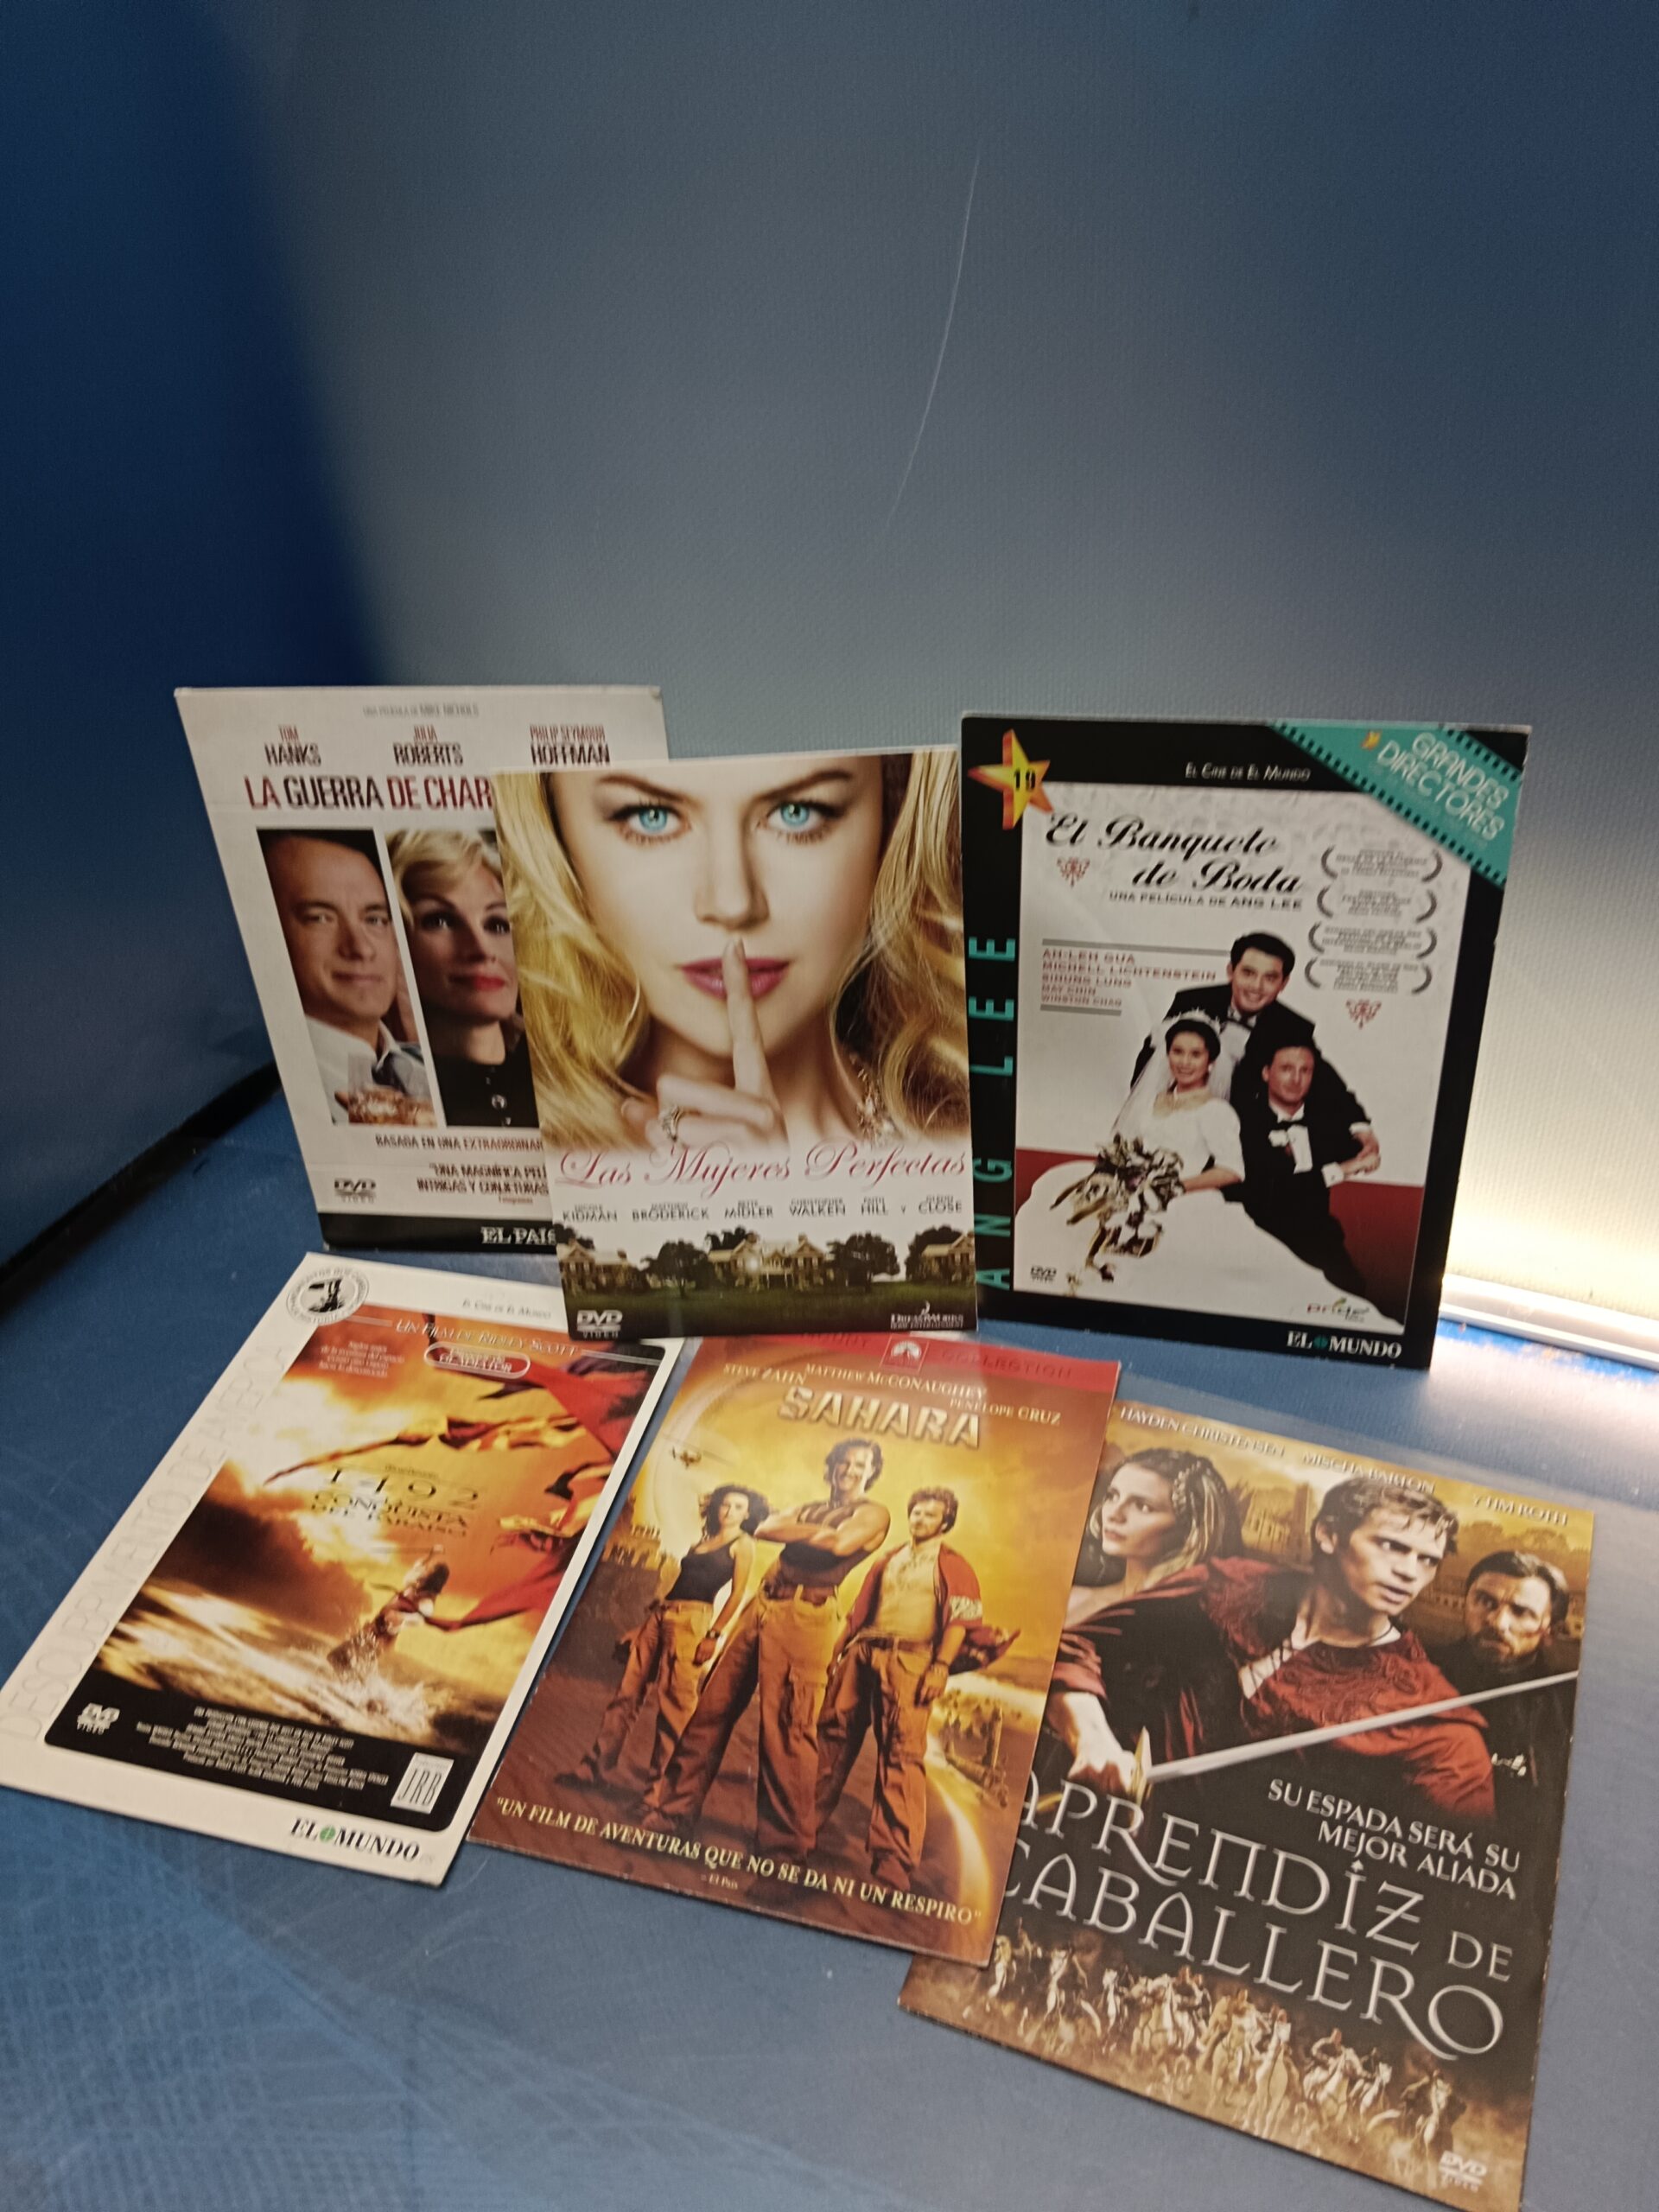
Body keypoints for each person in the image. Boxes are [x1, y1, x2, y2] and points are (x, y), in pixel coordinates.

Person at [493, 751, 968, 1150]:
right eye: (652, 816)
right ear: (555, 829)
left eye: (797, 812)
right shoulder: (528, 1155)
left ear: (890, 817)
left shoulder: (965, 1151)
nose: (732, 902)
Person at [1048, 1473, 1495, 1818]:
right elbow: (1073, 1644)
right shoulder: (1226, 1586)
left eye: (1428, 1560)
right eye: (1392, 1546)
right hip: (1092, 1835)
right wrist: (1092, 1740)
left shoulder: (1437, 1724)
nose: (1411, 1573)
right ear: (1328, 1535)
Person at [642, 1440, 891, 1859]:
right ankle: (673, 1813)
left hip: (806, 1614)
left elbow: (839, 1546)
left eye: (860, 1465)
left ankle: (784, 1849)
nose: (850, 1470)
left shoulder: (874, 1513)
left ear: (871, 1472)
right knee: (710, 1710)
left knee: (788, 1729)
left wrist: (806, 1532)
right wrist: (817, 1533)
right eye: (843, 1462)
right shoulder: (813, 1506)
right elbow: (764, 1528)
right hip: (762, 1604)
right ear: (832, 1466)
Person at [813, 1487, 982, 1891]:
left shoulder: (954, 1565)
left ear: (945, 1522)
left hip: (911, 1660)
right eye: (917, 1512)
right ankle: (801, 1825)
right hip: (864, 1651)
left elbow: (959, 1623)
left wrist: (940, 1666)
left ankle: (893, 1859)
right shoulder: (888, 1559)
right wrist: (835, 1650)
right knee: (831, 1736)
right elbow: (857, 1612)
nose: (920, 1520)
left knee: (901, 1754)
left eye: (930, 1515)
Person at [563, 1484, 766, 1786]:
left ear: (747, 1514)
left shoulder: (743, 1544)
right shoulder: (703, 1543)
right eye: (725, 1505)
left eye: (738, 1507)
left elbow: (737, 1594)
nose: (729, 1511)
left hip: (692, 1621)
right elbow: (679, 1585)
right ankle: (594, 1768)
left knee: (676, 1706)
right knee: (627, 1694)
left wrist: (713, 1635)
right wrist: (643, 1626)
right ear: (716, 1507)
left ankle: (660, 1790)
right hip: (661, 1616)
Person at [1130, 931, 1378, 1171]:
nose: (1256, 986)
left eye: (1270, 978)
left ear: (1284, 983)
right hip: (1181, 1122)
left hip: (1242, 1133)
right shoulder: (1192, 1001)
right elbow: (1152, 1063)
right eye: (1248, 973)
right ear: (1231, 971)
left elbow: (1323, 1077)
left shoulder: (1292, 1025)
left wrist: (1361, 1128)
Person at [261, 829, 430, 1124]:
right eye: (320, 918)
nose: (361, 948)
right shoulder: (276, 1098)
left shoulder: (429, 1067)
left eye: (374, 919)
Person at [387, 828, 538, 1127]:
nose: (482, 950)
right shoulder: (389, 1091)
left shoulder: (568, 1081)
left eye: (497, 924)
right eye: (440, 921)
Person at [1438, 1550, 1575, 1826]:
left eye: (1521, 1612)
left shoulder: (1567, 1706)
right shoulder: (1415, 1671)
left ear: (1551, 1630)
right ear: (1465, 1602)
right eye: (1485, 1601)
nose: (1497, 1622)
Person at [1235, 1041, 1377, 1304]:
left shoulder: (1325, 1123)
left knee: (1351, 1292)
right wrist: (1342, 1169)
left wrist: (1367, 1150)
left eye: (1305, 1071)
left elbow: (1359, 1148)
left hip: (1317, 1240)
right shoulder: (1244, 1124)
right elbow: (1274, 1189)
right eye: (1286, 1069)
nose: (1296, 1079)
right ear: (1266, 1073)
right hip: (1259, 1241)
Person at [1067, 1446, 1243, 1627]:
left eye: (1143, 1506)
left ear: (1189, 1530)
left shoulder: (1195, 1626)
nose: (1114, 1514)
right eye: (1112, 1496)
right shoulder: (1074, 1600)